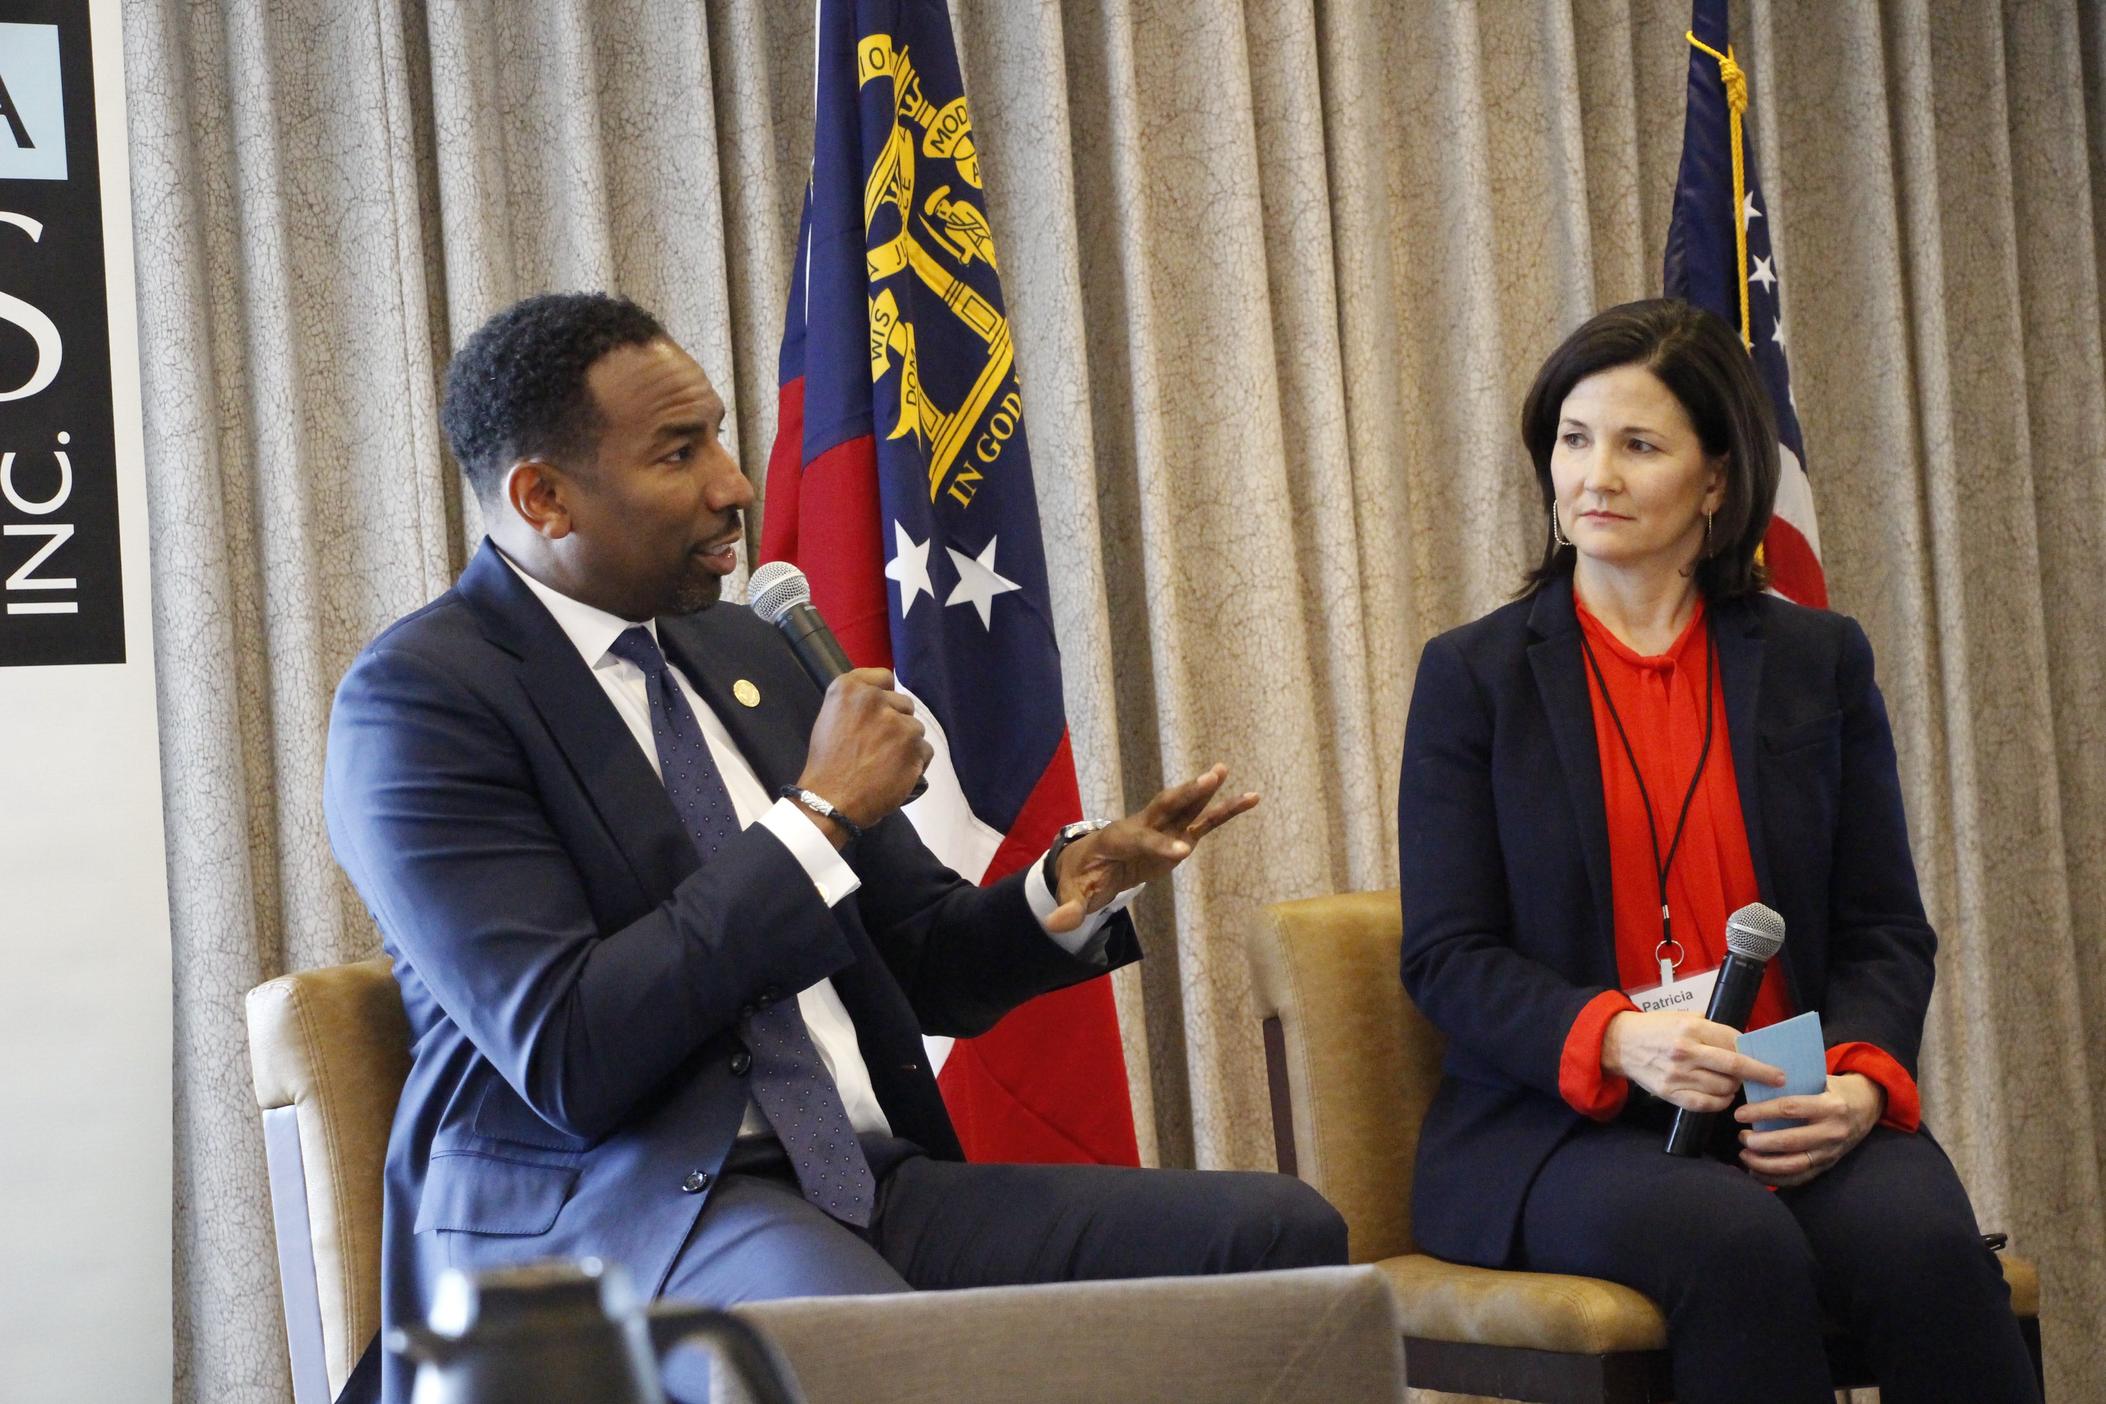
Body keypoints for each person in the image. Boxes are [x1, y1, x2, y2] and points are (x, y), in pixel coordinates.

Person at [324, 291, 1345, 1404]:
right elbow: (571, 1050)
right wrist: (814, 816)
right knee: (872, 1358)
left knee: (1277, 1239)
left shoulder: (744, 645)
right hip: (619, 1212)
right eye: (681, 451)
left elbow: (912, 955)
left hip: (859, 1179)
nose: (734, 483)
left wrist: (1071, 884)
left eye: (717, 432)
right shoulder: (423, 702)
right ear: (544, 496)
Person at [1394, 299, 2039, 1403]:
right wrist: (1618, 1039)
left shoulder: (1814, 660)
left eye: (1637, 445)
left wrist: (1863, 1083)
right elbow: (1448, 953)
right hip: (1557, 1126)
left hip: (1791, 1087)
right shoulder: (1477, 677)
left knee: (1929, 1251)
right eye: (1573, 438)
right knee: (1737, 1245)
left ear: (1715, 480)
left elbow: (1886, 927)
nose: (1592, 474)